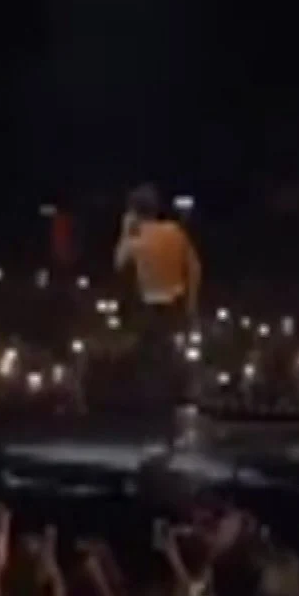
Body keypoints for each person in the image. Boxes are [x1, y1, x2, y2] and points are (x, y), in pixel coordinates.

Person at [113, 184, 203, 448]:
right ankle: (172, 431)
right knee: (170, 368)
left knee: (152, 372)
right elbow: (195, 268)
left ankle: (157, 434)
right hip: (175, 306)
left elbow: (119, 263)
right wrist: (191, 305)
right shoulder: (175, 232)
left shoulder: (137, 237)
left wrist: (125, 231)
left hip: (151, 310)